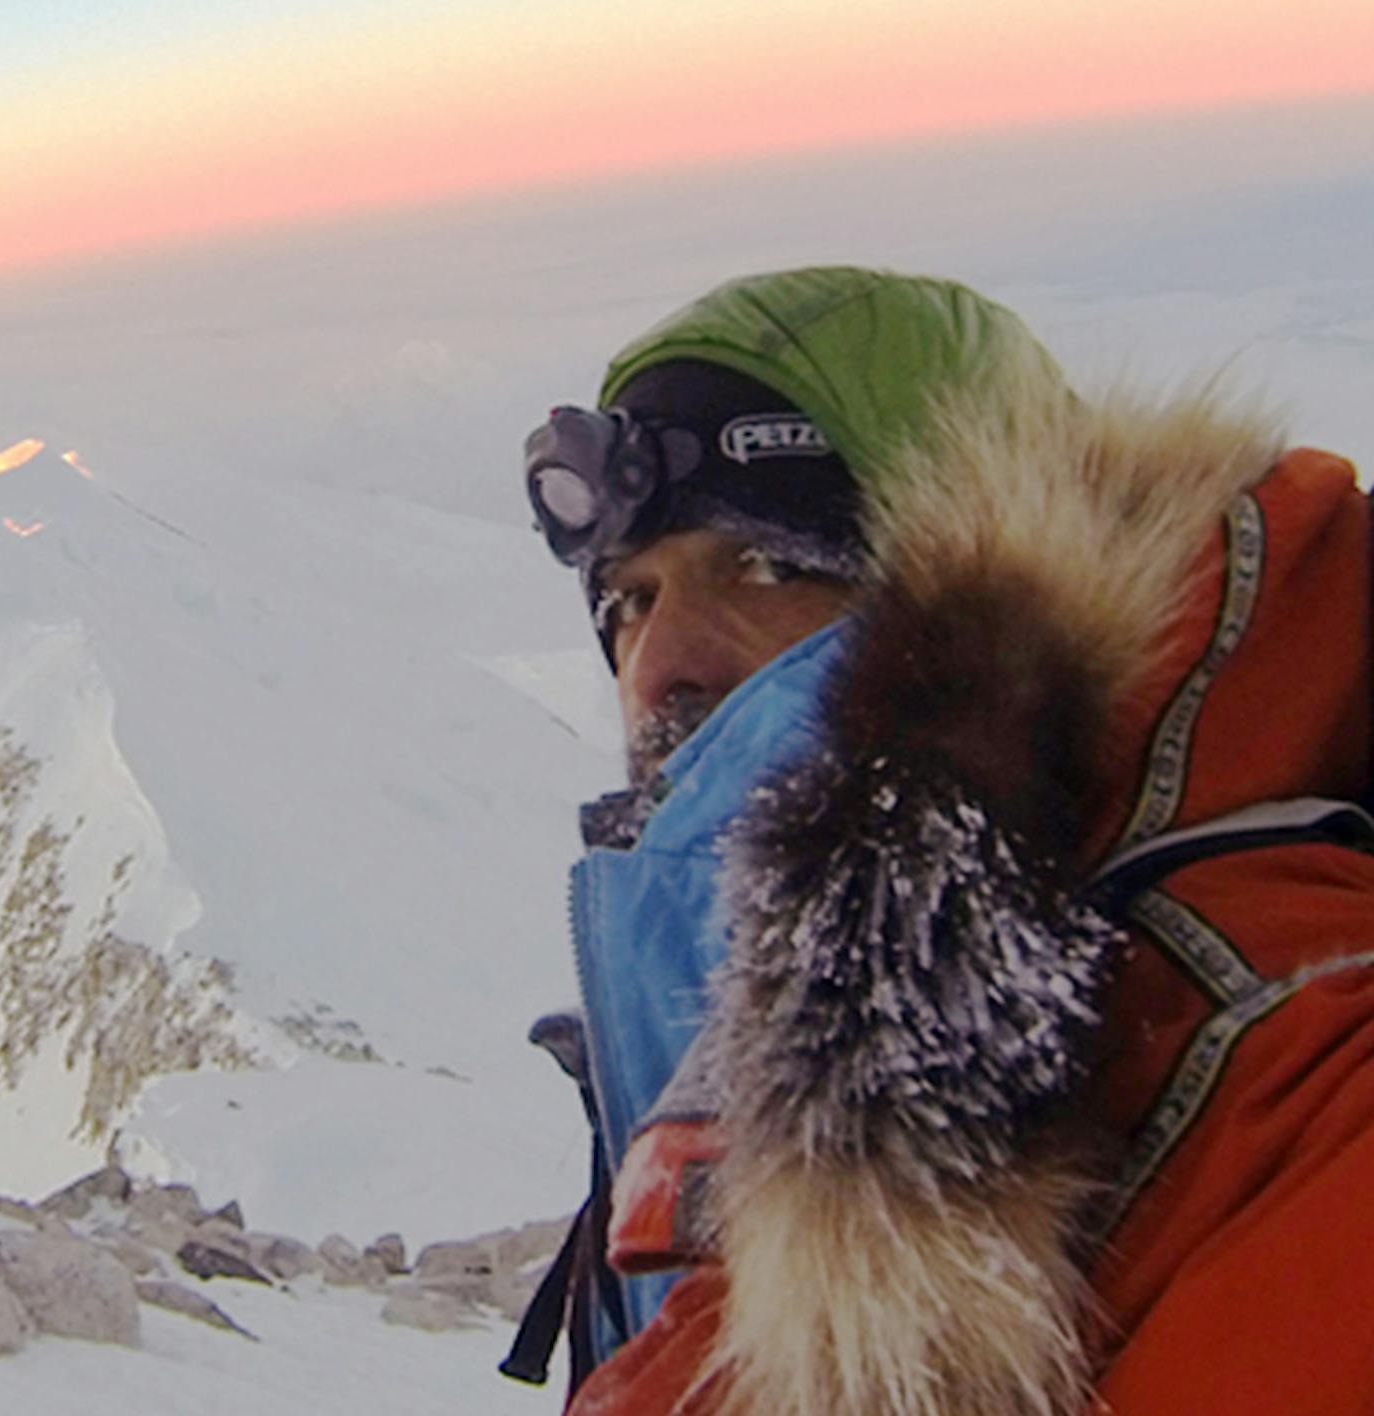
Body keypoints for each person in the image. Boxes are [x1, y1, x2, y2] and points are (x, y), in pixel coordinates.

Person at [514, 266, 1374, 1415]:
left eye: (769, 564)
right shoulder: (748, 1032)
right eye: (629, 598)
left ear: (977, 612)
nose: (660, 663)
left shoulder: (1284, 1069)